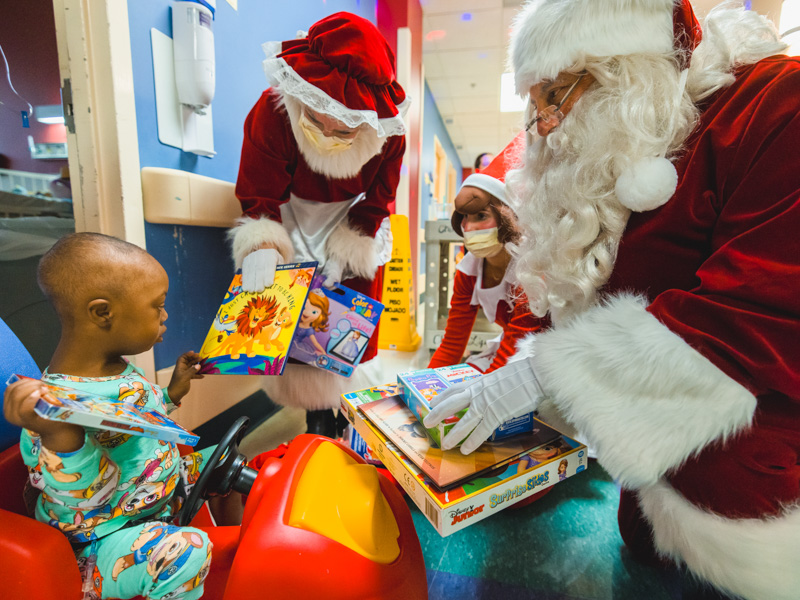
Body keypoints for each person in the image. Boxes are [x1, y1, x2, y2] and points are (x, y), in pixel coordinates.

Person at [424, 2, 800, 599]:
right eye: (535, 102)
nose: (542, 125)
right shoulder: (622, 149)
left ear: (625, 68)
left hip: (756, 493)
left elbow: (755, 315)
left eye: (557, 95)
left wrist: (538, 377)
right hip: (649, 475)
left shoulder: (778, 105)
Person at [2, 232, 239, 600]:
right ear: (102, 313)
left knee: (226, 461)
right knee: (185, 552)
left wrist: (173, 391)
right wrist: (59, 435)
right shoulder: (54, 410)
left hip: (154, 493)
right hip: (104, 537)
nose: (164, 315)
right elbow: (80, 500)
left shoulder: (118, 370)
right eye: (156, 305)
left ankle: (237, 553)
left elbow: (139, 416)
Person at [230, 12, 408, 437]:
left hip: (351, 217)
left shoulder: (391, 134)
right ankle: (312, 418)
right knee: (286, 311)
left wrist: (352, 242)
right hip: (288, 210)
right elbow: (259, 191)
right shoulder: (272, 112)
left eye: (342, 126)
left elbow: (380, 197)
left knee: (344, 320)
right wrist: (263, 245)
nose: (327, 131)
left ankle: (338, 414)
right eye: (317, 117)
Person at [429, 136, 542, 374]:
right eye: (465, 218)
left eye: (481, 216)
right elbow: (452, 344)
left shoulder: (529, 271)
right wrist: (421, 385)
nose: (469, 228)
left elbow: (516, 345)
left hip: (542, 352)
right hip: (511, 350)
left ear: (506, 218)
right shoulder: (468, 273)